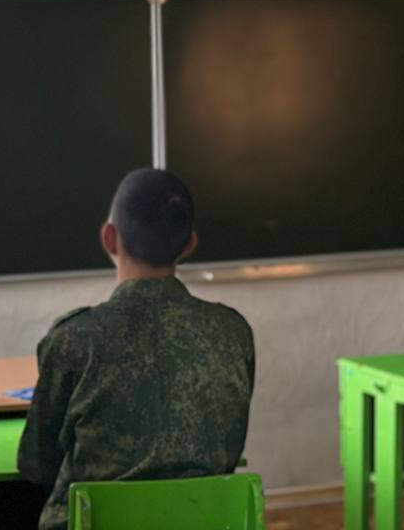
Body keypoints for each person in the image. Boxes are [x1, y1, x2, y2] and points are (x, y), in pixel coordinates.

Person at [17, 168, 255, 530]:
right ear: (189, 245)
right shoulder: (233, 332)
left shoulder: (75, 338)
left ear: (109, 238)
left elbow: (37, 464)